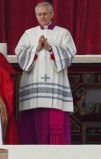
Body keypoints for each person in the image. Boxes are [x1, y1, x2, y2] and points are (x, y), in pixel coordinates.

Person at [15, 2, 77, 144]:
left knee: (56, 118)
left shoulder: (63, 33)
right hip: (33, 83)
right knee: (33, 120)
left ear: (52, 14)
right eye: (39, 14)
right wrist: (35, 49)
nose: (42, 17)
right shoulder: (29, 33)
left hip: (56, 83)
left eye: (45, 13)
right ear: (36, 15)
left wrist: (50, 48)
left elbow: (69, 54)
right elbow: (20, 54)